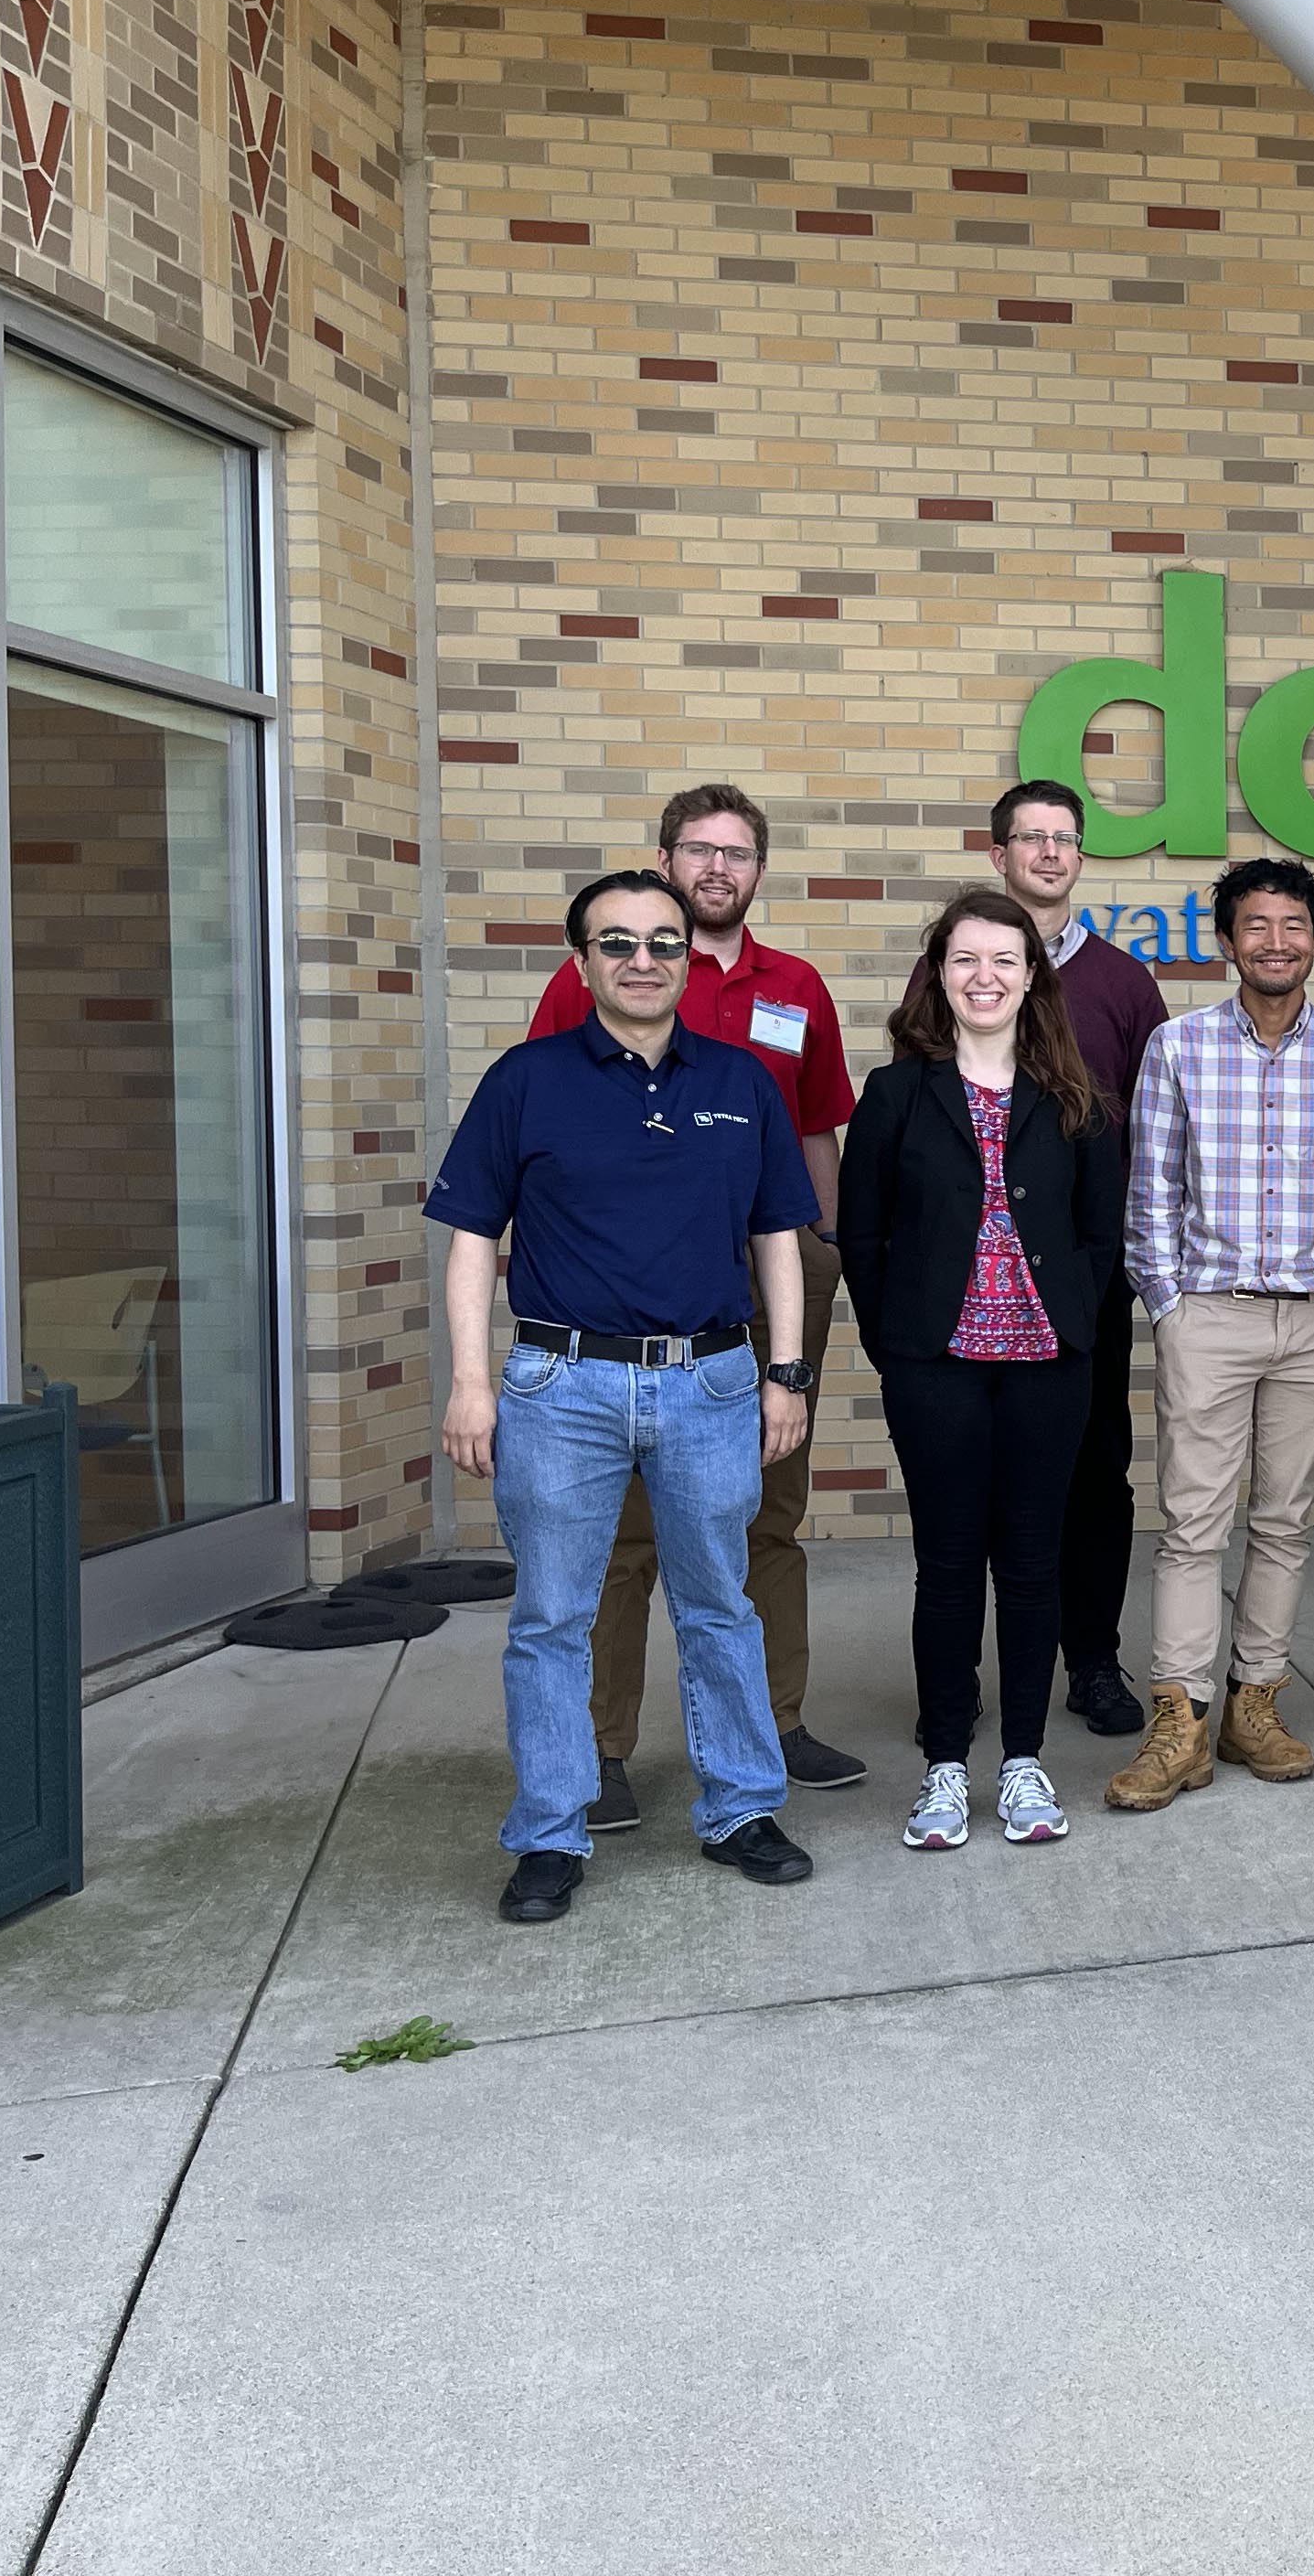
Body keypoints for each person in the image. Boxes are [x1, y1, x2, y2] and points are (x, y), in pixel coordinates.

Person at [430, 871, 822, 1922]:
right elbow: (473, 1237)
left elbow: (777, 1234)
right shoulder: (526, 1080)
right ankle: (551, 1832)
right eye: (617, 943)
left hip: (711, 1380)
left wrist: (787, 1371)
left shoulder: (741, 1082)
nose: (641, 960)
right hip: (562, 1385)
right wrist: (472, 1384)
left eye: (662, 942)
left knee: (719, 1606)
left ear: (689, 959)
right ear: (582, 960)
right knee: (552, 1615)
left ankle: (741, 1808)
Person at [523, 781, 863, 1820]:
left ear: (760, 871)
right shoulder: (591, 980)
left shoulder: (795, 986)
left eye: (738, 854)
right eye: (699, 850)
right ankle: (601, 1748)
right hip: (626, 1294)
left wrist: (827, 1251)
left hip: (768, 1284)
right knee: (623, 1533)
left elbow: (815, 1132)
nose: (718, 869)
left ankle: (776, 1722)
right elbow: (541, 1116)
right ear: (665, 860)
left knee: (767, 1512)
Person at [1103, 856, 1314, 1812]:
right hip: (1210, 1319)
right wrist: (1169, 1306)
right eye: (1255, 927)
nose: (1276, 942)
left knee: (1283, 1523)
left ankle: (1251, 1707)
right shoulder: (1179, 1049)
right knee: (1192, 1527)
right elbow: (1150, 1190)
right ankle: (1179, 1722)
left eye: (1292, 926)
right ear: (1226, 943)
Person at [842, 890, 1128, 1850]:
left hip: (1049, 1366)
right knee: (950, 1567)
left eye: (1005, 960)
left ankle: (1023, 1762)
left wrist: (1079, 1324)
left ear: (1031, 975)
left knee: (1036, 1564)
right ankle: (943, 1768)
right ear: (939, 973)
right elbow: (865, 1234)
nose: (985, 977)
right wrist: (896, 1344)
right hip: (938, 1369)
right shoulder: (895, 1093)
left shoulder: (1075, 1096)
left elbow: (1102, 1234)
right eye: (966, 959)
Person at [910, 778, 1170, 1740]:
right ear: (999, 855)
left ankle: (1091, 1662)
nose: (1051, 854)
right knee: (967, 1489)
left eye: (1066, 838)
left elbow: (1149, 1130)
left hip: (1078, 1285)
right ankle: (963, 1680)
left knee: (1094, 1473)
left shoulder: (1124, 984)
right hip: (961, 1298)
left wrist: (1113, 1267)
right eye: (1032, 838)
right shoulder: (959, 971)